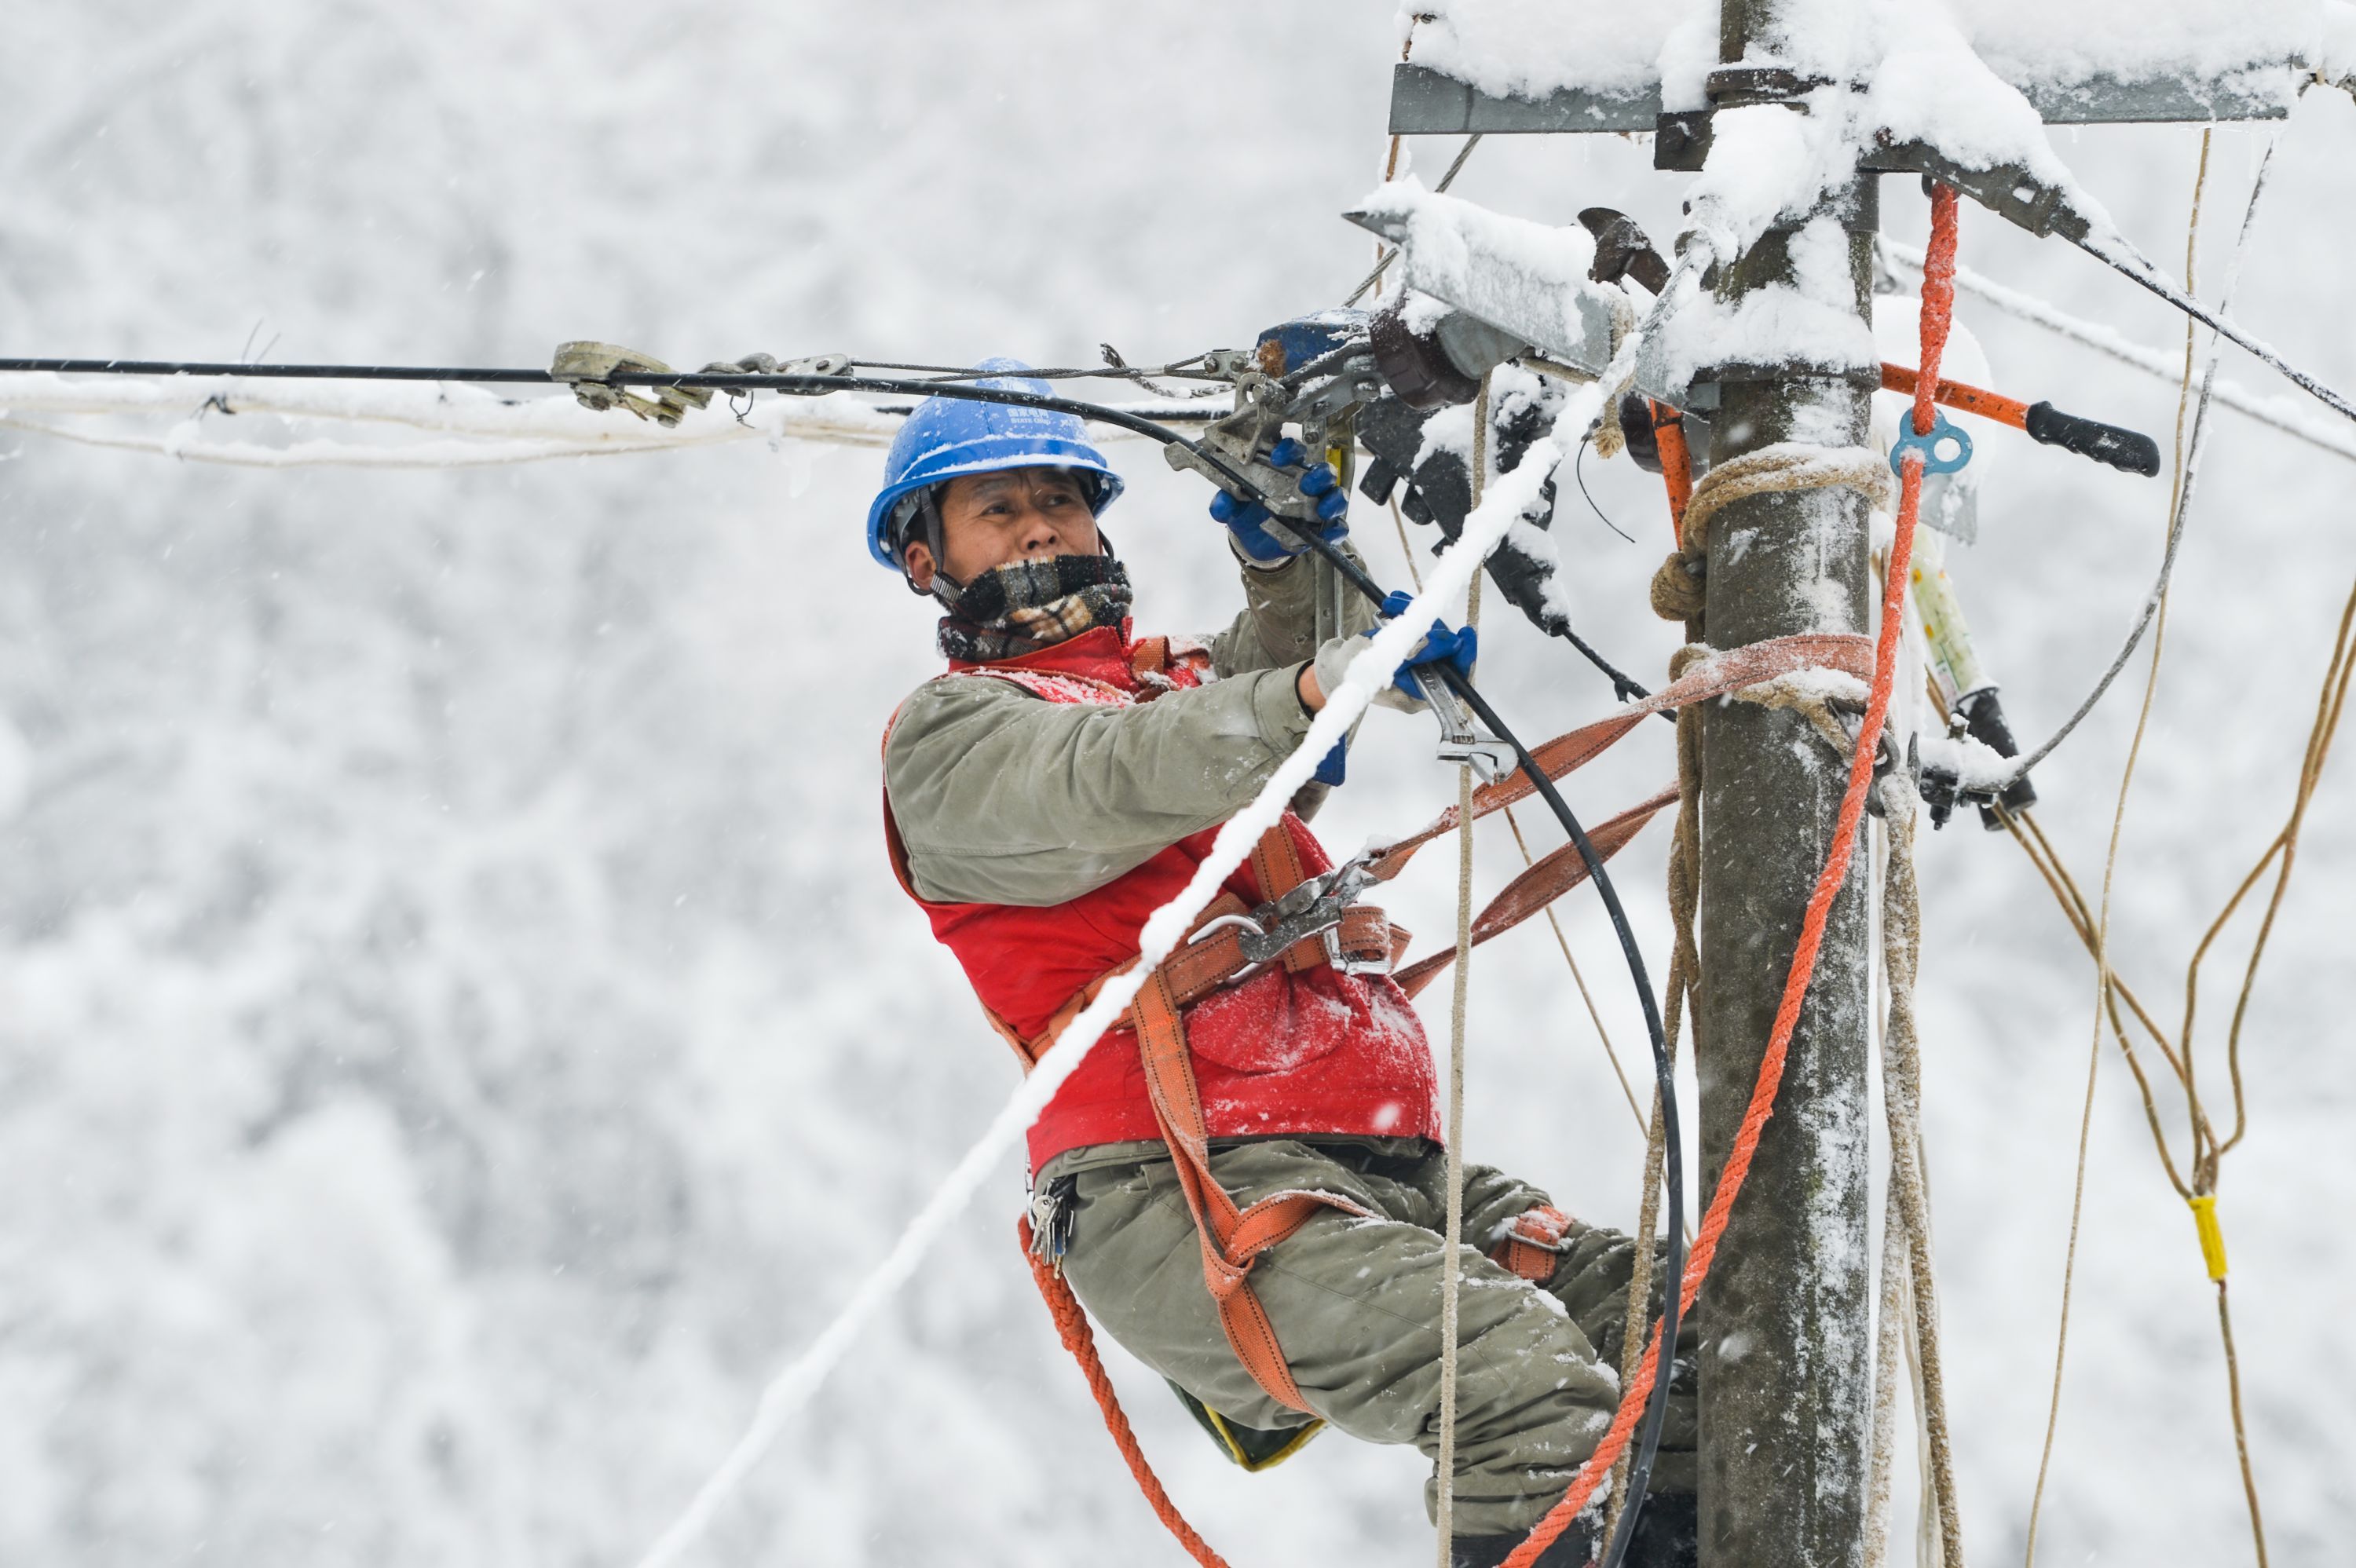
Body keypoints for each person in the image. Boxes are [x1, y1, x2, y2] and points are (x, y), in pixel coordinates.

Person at [875, 362, 1696, 1568]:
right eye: (997, 508)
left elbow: (1245, 714)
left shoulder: (1164, 688)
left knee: (1684, 1328)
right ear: (924, 558)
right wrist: (1318, 681)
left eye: (1062, 497)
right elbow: (1128, 771)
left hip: (1371, 1164)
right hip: (1178, 1182)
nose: (1044, 522)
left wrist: (1287, 542)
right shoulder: (955, 740)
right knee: (1511, 1377)